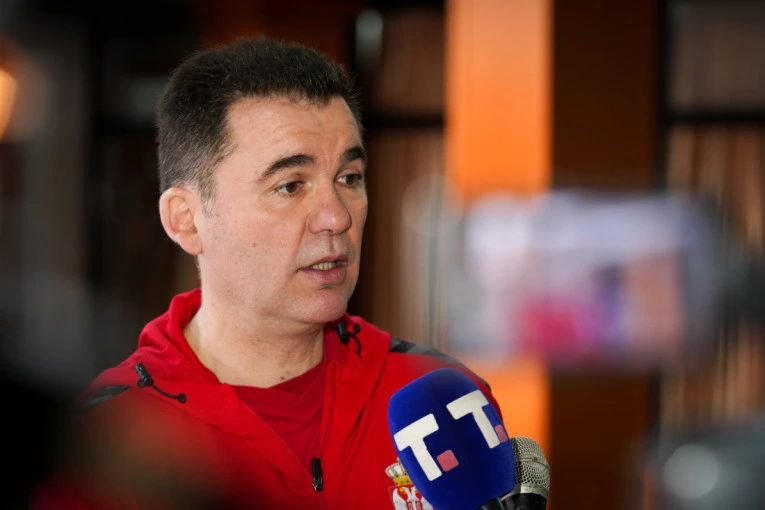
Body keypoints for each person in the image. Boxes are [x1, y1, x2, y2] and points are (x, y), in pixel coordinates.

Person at [31, 37, 500, 510]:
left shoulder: (441, 398)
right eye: (291, 186)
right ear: (185, 219)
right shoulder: (107, 443)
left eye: (349, 178)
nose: (337, 216)